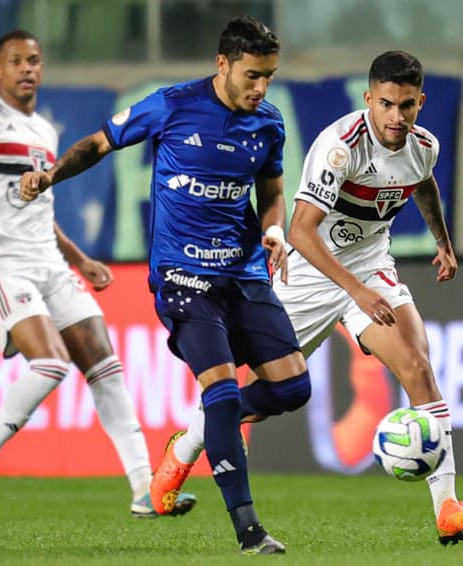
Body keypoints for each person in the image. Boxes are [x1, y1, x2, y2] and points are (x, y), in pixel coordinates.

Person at [156, 50, 463, 546]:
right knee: (264, 395)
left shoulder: (424, 145)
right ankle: (185, 449)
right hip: (309, 274)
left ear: (420, 103)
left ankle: (447, 508)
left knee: (419, 368)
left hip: (371, 268)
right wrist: (353, 290)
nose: (396, 117)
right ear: (368, 100)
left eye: (406, 106)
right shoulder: (339, 146)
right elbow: (302, 231)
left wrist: (441, 240)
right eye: (386, 105)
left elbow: (422, 184)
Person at [19, 17, 311, 555]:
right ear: (222, 64)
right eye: (252, 75)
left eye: (268, 76)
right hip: (183, 278)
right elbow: (98, 144)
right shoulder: (172, 105)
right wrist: (49, 177)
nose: (260, 88)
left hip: (244, 274)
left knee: (294, 389)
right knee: (220, 392)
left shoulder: (269, 124)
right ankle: (249, 531)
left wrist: (273, 229)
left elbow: (272, 189)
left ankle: (201, 431)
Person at [0, 29, 196, 521]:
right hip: (3, 265)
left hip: (49, 262)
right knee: (51, 363)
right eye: (17, 61)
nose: (28, 69)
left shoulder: (45, 131)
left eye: (35, 60)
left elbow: (41, 211)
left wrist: (80, 258)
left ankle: (143, 488)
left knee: (105, 366)